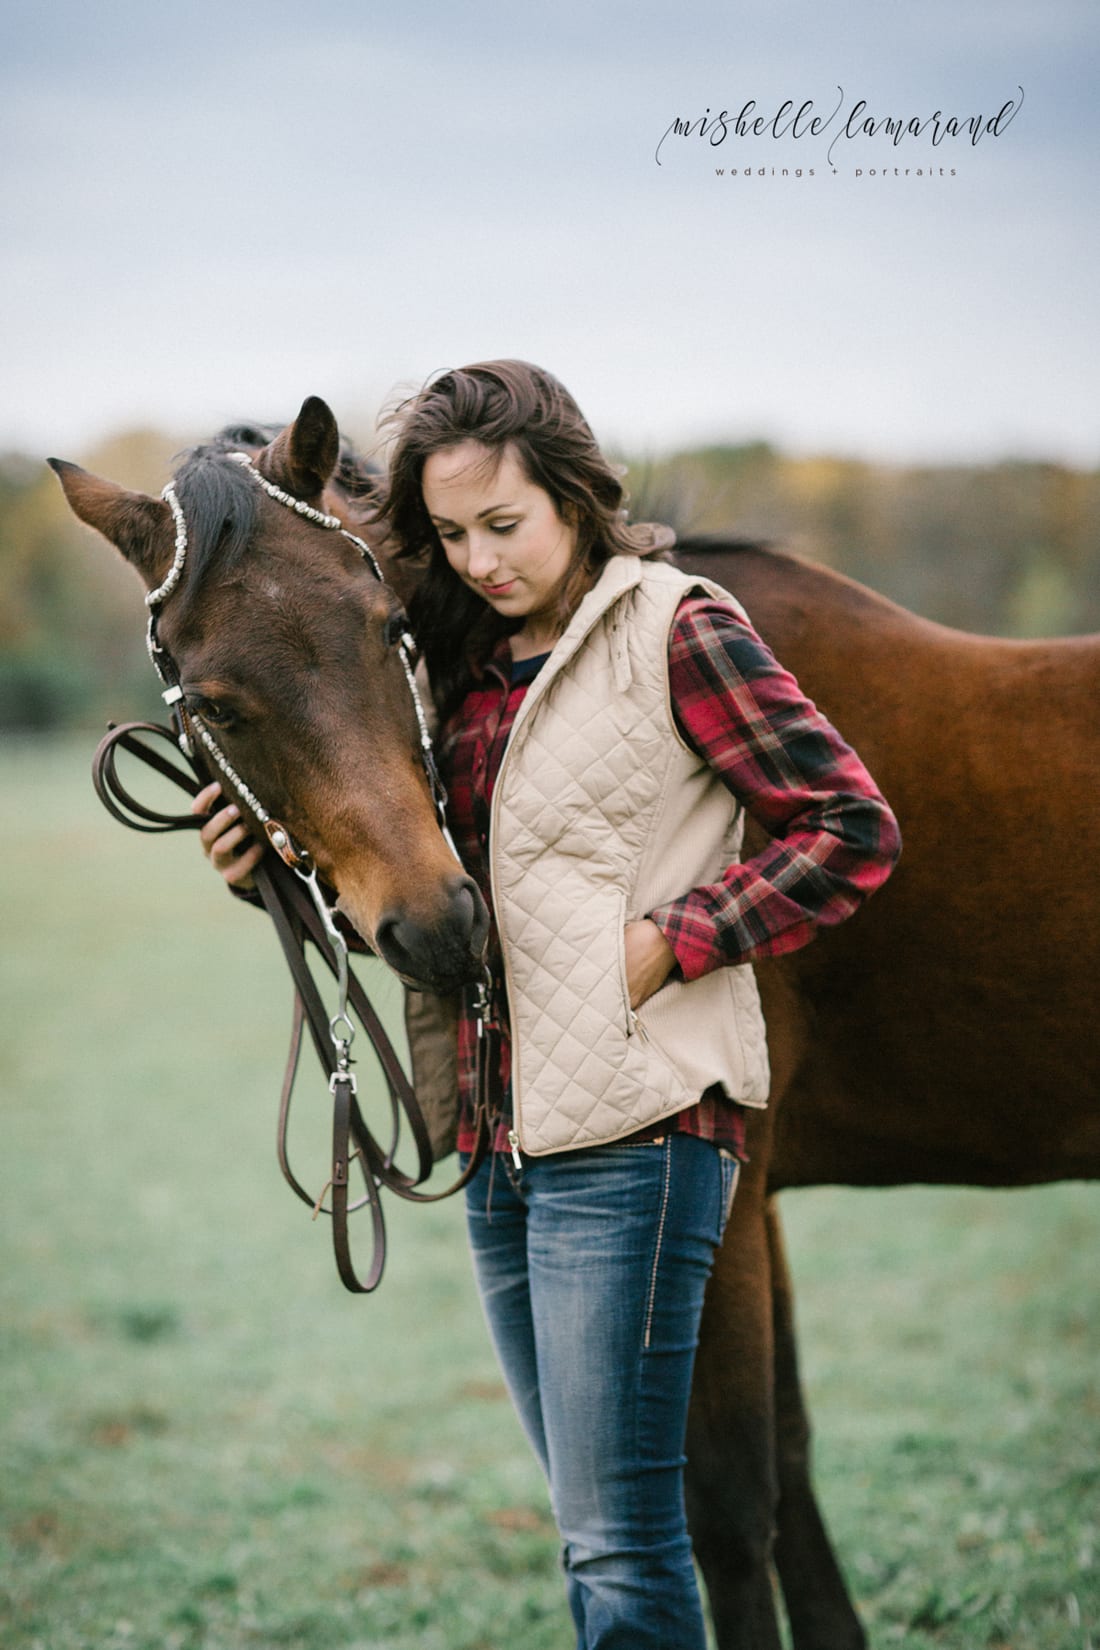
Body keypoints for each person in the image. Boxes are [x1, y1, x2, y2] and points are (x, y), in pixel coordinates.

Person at [196, 360, 901, 1650]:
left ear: (574, 496)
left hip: (637, 1137)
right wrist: (275, 866)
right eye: (451, 534)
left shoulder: (677, 627)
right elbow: (448, 888)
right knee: (595, 1536)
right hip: (498, 1145)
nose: (477, 560)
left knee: (628, 1550)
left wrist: (675, 940)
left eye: (503, 525)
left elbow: (848, 826)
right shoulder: (458, 673)